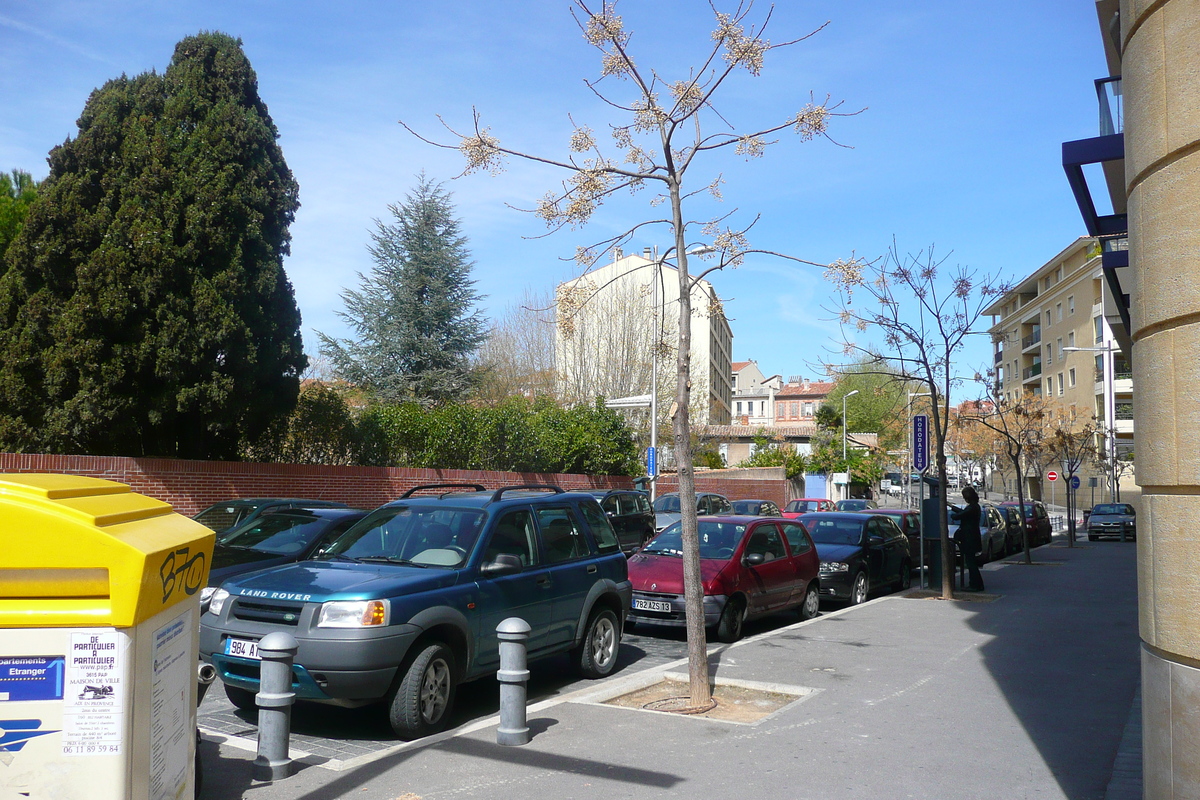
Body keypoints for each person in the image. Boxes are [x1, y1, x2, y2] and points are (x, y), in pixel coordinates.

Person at [950, 486, 985, 592]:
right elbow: (963, 512)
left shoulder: (972, 508)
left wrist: (952, 514)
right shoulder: (975, 507)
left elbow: (960, 515)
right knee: (971, 562)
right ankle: (977, 584)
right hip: (972, 537)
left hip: (969, 538)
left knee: (970, 563)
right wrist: (952, 506)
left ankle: (975, 584)